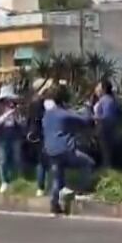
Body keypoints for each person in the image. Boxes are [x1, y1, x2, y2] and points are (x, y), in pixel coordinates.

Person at [43, 85, 96, 215]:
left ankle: (54, 206)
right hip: (65, 150)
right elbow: (85, 120)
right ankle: (81, 191)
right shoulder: (64, 114)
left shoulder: (47, 115)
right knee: (88, 163)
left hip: (51, 151)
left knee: (57, 179)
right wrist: (88, 107)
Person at [0, 85, 24, 194]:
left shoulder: (13, 106)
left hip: (14, 133)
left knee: (16, 157)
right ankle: (4, 181)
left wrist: (17, 115)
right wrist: (8, 113)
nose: (10, 100)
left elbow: (19, 122)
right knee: (3, 159)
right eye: (8, 98)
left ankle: (16, 178)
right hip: (2, 135)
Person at [26, 80, 55, 197]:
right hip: (41, 134)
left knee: (44, 161)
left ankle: (44, 187)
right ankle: (44, 187)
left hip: (40, 134)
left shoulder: (38, 101)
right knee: (44, 161)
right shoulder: (37, 101)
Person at [93, 79, 118, 169]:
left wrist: (94, 118)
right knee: (104, 151)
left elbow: (107, 116)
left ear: (103, 89)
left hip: (105, 129)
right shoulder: (106, 100)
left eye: (98, 87)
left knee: (105, 151)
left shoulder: (107, 100)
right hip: (103, 128)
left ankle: (107, 169)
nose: (96, 89)